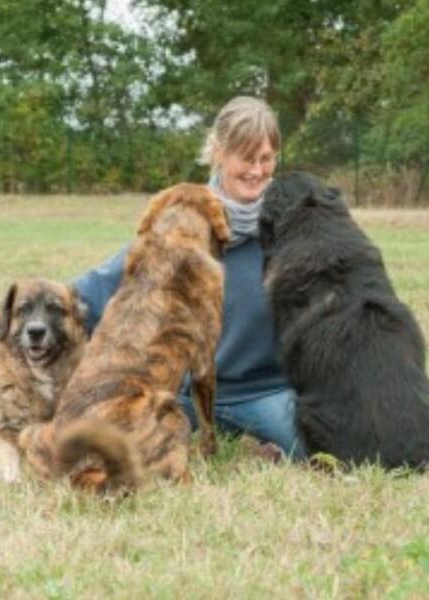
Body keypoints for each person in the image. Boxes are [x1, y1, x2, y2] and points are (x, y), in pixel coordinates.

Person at [71, 96, 308, 459]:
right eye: (247, 158)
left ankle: (265, 448)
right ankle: (240, 443)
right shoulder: (186, 218)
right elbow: (94, 290)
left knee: (325, 449)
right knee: (118, 448)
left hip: (266, 391)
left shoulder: (293, 224)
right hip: (184, 392)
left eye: (267, 159)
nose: (258, 171)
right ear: (219, 152)